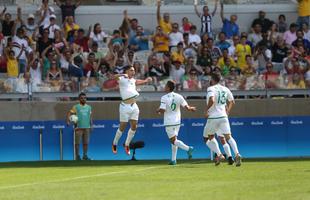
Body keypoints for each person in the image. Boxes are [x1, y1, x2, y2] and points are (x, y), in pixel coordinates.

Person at [112, 65, 152, 155]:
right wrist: (123, 74)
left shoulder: (133, 80)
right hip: (124, 106)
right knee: (122, 127)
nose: (133, 72)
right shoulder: (122, 79)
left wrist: (146, 80)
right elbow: (113, 77)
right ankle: (114, 143)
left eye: (134, 70)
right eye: (131, 70)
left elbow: (137, 81)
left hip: (134, 106)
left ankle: (127, 145)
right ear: (127, 71)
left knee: (134, 127)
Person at [203, 73, 242, 166]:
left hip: (213, 117)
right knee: (228, 137)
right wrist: (228, 111)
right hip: (223, 116)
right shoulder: (225, 89)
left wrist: (206, 110)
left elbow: (212, 100)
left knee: (210, 137)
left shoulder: (211, 88)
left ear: (212, 79)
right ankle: (237, 154)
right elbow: (232, 101)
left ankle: (220, 155)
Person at [157, 80, 196, 165]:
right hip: (177, 121)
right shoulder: (179, 96)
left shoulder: (164, 97)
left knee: (173, 141)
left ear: (168, 87)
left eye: (165, 86)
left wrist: (158, 110)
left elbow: (162, 109)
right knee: (174, 140)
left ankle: (188, 149)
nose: (164, 87)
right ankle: (173, 160)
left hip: (169, 122)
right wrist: (191, 108)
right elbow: (187, 107)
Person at [66, 92, 93, 161]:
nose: (83, 99)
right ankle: (77, 156)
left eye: (84, 98)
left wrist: (91, 125)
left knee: (86, 143)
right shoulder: (76, 107)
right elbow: (69, 113)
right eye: (82, 98)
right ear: (79, 99)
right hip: (78, 128)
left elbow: (90, 117)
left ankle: (85, 155)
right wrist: (68, 121)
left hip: (87, 127)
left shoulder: (89, 107)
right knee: (77, 143)